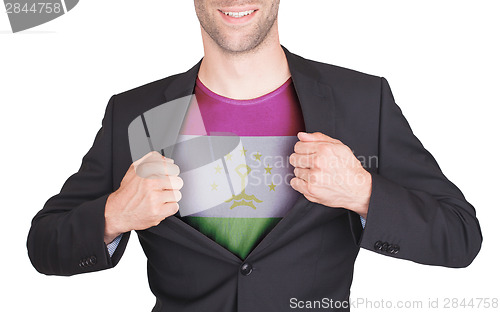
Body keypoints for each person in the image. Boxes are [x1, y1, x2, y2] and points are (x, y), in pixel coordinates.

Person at [27, 1, 482, 311]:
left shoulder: (362, 101)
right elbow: (44, 245)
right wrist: (114, 214)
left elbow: (460, 236)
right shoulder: (136, 113)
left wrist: (363, 192)